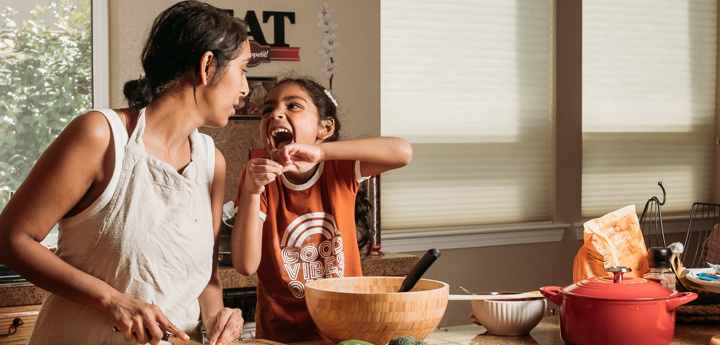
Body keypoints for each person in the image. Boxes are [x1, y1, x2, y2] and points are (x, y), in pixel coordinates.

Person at [0, 1, 251, 344]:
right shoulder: (101, 136)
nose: (246, 88)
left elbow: (205, 280)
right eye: (243, 70)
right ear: (208, 66)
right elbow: (10, 239)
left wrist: (219, 318)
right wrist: (111, 299)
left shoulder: (212, 162)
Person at [231, 77, 413, 342]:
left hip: (346, 330)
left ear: (325, 128)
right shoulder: (257, 177)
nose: (276, 114)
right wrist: (251, 190)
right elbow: (246, 266)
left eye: (293, 106)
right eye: (267, 110)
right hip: (281, 337)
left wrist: (322, 153)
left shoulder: (339, 169)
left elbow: (403, 152)